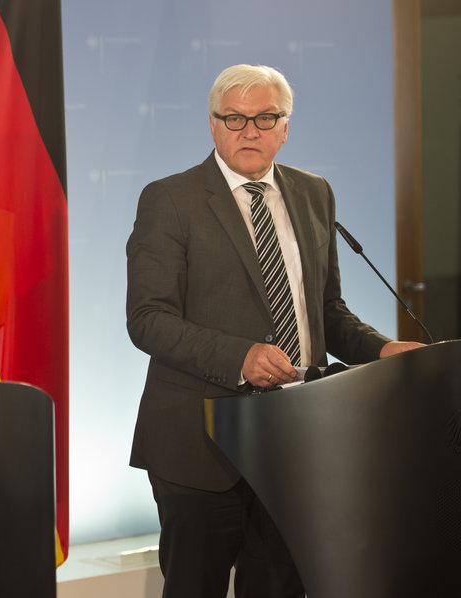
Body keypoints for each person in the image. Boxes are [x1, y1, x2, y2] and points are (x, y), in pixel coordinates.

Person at [125, 64, 423, 597]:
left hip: (295, 441)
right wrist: (240, 356)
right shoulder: (170, 199)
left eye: (265, 118)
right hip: (200, 444)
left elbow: (325, 311)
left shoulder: (314, 192)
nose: (249, 131)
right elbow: (148, 318)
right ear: (213, 124)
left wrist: (382, 350)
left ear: (286, 127)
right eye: (234, 118)